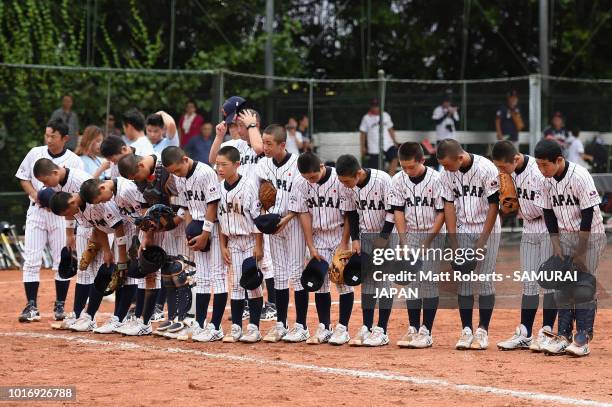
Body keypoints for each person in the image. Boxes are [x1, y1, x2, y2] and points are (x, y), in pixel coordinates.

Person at [533, 139, 606, 357]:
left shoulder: (580, 176)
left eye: (544, 165)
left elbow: (588, 214)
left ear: (559, 160)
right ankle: (563, 336)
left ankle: (582, 338)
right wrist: (556, 244)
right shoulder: (544, 180)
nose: (541, 169)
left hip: (589, 236)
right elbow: (547, 212)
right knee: (560, 284)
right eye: (537, 165)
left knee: (583, 286)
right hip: (564, 237)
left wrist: (581, 251)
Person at [15, 119, 84, 323]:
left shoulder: (74, 161)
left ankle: (60, 305)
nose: (49, 139)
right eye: (47, 135)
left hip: (61, 215)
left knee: (61, 259)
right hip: (37, 211)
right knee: (31, 259)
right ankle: (31, 305)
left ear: (65, 138)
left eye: (53, 136)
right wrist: (35, 195)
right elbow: (23, 177)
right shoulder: (35, 153)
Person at [491, 141, 558, 352]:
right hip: (529, 229)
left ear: (516, 159)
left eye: (503, 166)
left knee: (548, 283)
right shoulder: (508, 174)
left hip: (548, 227)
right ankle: (525, 333)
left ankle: (546, 332)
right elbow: (509, 206)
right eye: (498, 167)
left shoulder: (537, 172)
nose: (501, 171)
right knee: (529, 283)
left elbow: (550, 206)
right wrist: (508, 204)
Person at [437, 139, 501, 350]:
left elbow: (494, 206)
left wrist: (482, 241)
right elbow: (448, 206)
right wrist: (453, 240)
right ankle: (466, 330)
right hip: (463, 228)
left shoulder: (486, 168)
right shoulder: (446, 174)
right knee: (463, 280)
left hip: (487, 228)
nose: (445, 168)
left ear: (460, 157)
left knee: (484, 281)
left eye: (447, 164)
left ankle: (482, 330)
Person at [161, 146, 228, 343]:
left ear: (185, 159)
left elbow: (213, 205)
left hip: (214, 228)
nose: (176, 174)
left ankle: (215, 327)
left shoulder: (206, 172)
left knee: (218, 276)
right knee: (202, 277)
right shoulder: (179, 177)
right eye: (171, 172)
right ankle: (199, 323)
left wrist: (205, 234)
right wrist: (190, 231)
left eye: (177, 170)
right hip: (199, 229)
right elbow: (186, 206)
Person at [289, 152, 354, 345]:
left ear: (322, 166)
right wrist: (311, 246)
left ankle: (343, 328)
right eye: (306, 177)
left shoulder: (338, 180)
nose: (310, 181)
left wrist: (344, 243)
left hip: (338, 234)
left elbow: (349, 214)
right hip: (318, 237)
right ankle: (325, 326)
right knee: (320, 284)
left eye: (313, 176)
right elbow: (304, 215)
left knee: (342, 281)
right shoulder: (301, 184)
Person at [390, 143, 446, 349]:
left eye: (411, 167)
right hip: (410, 233)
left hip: (434, 233)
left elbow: (441, 212)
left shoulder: (437, 180)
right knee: (412, 284)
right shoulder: (398, 180)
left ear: (422, 161)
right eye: (403, 167)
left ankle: (426, 331)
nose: (407, 171)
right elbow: (398, 211)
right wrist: (404, 242)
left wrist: (427, 242)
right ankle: (413, 327)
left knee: (428, 281)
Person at [335, 154, 395, 347]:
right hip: (365, 236)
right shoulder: (347, 187)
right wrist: (355, 239)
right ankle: (367, 326)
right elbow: (351, 213)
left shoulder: (383, 180)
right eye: (341, 181)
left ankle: (382, 330)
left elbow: (393, 211)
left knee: (383, 282)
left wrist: (383, 238)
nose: (344, 185)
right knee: (367, 283)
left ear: (358, 173)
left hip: (386, 235)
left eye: (346, 181)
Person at [49, 191, 128, 332]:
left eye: (68, 212)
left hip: (124, 228)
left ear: (72, 202)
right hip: (109, 231)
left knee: (123, 274)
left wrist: (110, 252)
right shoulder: (79, 208)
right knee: (92, 273)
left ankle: (122, 317)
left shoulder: (91, 203)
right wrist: (103, 249)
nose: (70, 216)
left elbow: (116, 226)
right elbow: (98, 227)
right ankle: (87, 316)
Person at [256, 124, 306, 343]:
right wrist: (265, 215)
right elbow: (260, 195)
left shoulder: (297, 165)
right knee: (280, 275)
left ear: (282, 145)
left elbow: (304, 198)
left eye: (269, 143)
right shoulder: (262, 165)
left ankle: (301, 325)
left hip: (293, 223)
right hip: (274, 226)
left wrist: (286, 218)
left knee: (296, 274)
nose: (265, 147)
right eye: (263, 142)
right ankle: (281, 324)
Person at [31, 159, 92, 330]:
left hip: (99, 224)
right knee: (83, 271)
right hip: (83, 226)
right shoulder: (57, 184)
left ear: (55, 173)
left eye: (44, 181)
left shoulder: (79, 180)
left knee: (95, 271)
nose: (45, 185)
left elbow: (97, 203)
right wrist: (69, 234)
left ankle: (95, 316)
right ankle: (79, 315)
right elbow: (68, 210)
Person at [215, 146, 265, 343]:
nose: (219, 168)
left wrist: (259, 245)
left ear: (237, 165)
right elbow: (219, 220)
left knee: (252, 284)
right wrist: (223, 245)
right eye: (217, 164)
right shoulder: (218, 188)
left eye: (223, 165)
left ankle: (254, 327)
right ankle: (236, 326)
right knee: (235, 284)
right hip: (233, 240)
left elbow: (258, 216)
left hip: (251, 239)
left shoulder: (249, 186)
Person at [359, 99, 399, 175]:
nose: (375, 108)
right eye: (374, 106)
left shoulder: (385, 115)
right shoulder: (366, 118)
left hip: (387, 143)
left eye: (377, 106)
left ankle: (390, 177)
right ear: (371, 107)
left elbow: (390, 129)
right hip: (374, 146)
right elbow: (363, 133)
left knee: (395, 157)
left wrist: (394, 140)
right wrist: (363, 146)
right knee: (375, 168)